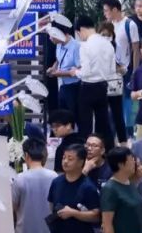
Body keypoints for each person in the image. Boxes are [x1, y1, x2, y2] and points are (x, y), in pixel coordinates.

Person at [75, 15, 117, 150]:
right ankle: (108, 151)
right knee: (103, 123)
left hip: (88, 88)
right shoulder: (108, 43)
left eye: (78, 34)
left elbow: (85, 72)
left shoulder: (85, 46)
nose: (80, 37)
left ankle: (85, 153)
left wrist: (75, 72)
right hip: (103, 87)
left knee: (85, 124)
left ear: (81, 30)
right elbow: (112, 70)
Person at [49, 28, 81, 117]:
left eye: (53, 35)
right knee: (63, 117)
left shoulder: (76, 46)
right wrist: (53, 68)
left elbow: (80, 70)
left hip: (74, 87)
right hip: (62, 85)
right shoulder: (59, 44)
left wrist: (60, 73)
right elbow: (59, 59)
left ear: (63, 34)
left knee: (74, 116)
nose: (50, 38)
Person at [50, 109, 86, 174]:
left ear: (68, 126)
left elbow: (59, 173)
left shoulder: (62, 148)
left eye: (57, 126)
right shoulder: (83, 140)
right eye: (52, 126)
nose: (54, 129)